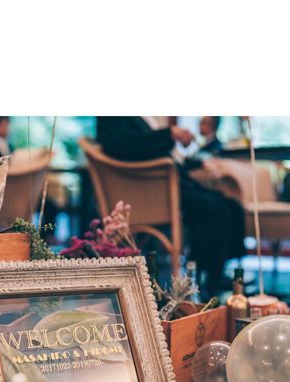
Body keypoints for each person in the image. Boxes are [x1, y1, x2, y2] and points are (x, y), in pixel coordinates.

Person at [96, 116, 244, 294]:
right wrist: (170, 134)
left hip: (168, 183)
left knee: (232, 206)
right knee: (217, 210)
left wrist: (198, 163)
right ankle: (207, 280)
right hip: (153, 190)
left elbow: (155, 152)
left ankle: (215, 272)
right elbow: (120, 145)